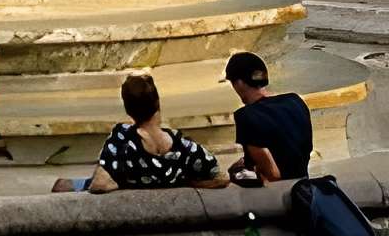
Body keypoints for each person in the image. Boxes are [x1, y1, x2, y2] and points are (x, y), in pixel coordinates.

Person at [54, 73, 229, 193]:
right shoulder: (184, 148)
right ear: (158, 103)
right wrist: (187, 182)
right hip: (167, 178)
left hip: (126, 179)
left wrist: (124, 183)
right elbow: (221, 178)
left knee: (63, 185)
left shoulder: (123, 139)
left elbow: (99, 184)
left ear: (129, 111)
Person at [225, 51, 314, 185]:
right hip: (304, 181)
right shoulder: (295, 101)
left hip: (281, 194)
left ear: (239, 83)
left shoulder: (246, 116)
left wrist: (238, 171)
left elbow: (272, 174)